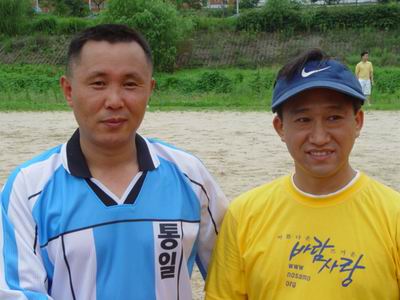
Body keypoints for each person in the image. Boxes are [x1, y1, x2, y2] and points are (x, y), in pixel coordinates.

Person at [0, 24, 227, 299]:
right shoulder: (28, 189)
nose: (115, 100)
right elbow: (17, 292)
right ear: (69, 90)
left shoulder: (191, 177)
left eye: (130, 84)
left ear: (150, 90)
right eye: (98, 83)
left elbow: (231, 276)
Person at [205, 48, 400, 300]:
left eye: (333, 117)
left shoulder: (393, 216)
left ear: (358, 121)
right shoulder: (244, 216)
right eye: (303, 120)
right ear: (280, 127)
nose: (319, 138)